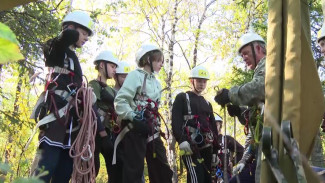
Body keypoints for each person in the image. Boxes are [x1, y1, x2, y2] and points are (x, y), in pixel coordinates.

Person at [30, 11, 102, 182]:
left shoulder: (72, 57)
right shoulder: (56, 48)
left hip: (72, 124)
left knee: (64, 171)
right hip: (57, 117)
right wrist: (70, 32)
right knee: (46, 166)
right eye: (84, 33)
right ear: (71, 28)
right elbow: (59, 43)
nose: (85, 38)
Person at [114, 44, 173, 183]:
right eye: (158, 61)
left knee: (162, 168)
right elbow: (121, 101)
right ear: (147, 59)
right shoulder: (135, 76)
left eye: (162, 61)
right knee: (133, 171)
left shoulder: (157, 84)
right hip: (135, 129)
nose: (161, 64)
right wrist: (134, 118)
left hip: (151, 129)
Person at [214, 29, 266, 183]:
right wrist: (240, 112)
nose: (243, 58)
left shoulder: (268, 65)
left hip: (272, 141)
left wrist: (230, 95)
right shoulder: (260, 69)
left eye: (245, 53)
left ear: (257, 48)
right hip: (262, 144)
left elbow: (258, 89)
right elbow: (258, 116)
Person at [171, 65, 218, 183]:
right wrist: (181, 140)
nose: (202, 84)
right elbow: (176, 120)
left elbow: (213, 128)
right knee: (195, 177)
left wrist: (215, 152)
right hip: (189, 144)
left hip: (206, 146)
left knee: (207, 178)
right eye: (199, 81)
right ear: (192, 81)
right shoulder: (182, 98)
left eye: (204, 81)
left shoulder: (207, 103)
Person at [89, 50, 121, 182]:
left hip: (109, 133)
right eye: (112, 66)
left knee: (115, 170)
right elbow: (92, 108)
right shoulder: (93, 85)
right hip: (95, 133)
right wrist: (102, 134)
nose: (114, 70)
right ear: (102, 65)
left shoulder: (111, 90)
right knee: (92, 169)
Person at [213, 114, 244, 182]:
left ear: (220, 125)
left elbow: (241, 150)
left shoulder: (227, 139)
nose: (214, 127)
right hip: (211, 173)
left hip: (225, 172)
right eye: (212, 125)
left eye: (216, 124)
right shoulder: (208, 140)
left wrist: (233, 162)